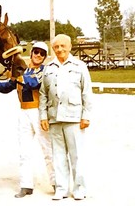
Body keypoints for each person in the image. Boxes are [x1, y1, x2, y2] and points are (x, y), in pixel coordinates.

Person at [0, 42, 55, 198]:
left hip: (39, 113)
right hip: (23, 112)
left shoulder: (45, 71)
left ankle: (56, 182)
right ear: (31, 52)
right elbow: (6, 87)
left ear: (44, 57)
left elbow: (33, 84)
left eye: (42, 54)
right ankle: (26, 185)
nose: (38, 55)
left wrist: (17, 74)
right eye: (36, 52)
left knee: (47, 149)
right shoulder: (23, 71)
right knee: (24, 152)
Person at [39, 34, 93, 201]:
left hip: (74, 118)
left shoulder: (79, 66)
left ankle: (79, 189)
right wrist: (43, 116)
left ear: (69, 47)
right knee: (58, 156)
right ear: (53, 49)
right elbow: (43, 94)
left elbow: (87, 92)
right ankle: (61, 189)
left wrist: (86, 116)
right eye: (56, 47)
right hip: (54, 118)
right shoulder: (49, 68)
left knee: (76, 156)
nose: (60, 49)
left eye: (63, 46)